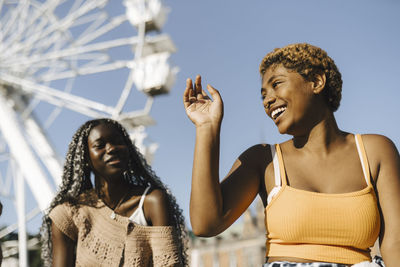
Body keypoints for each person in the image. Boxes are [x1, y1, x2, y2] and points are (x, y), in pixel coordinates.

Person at [183, 43, 400, 267]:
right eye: (263, 96)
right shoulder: (263, 159)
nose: (268, 101)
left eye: (276, 84)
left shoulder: (375, 151)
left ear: (316, 82)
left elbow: (395, 243)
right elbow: (205, 224)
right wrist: (206, 128)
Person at [40, 118, 187, 267]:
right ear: (85, 159)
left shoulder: (152, 201)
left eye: (118, 142)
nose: (111, 148)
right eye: (100, 145)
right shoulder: (68, 214)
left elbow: (169, 263)